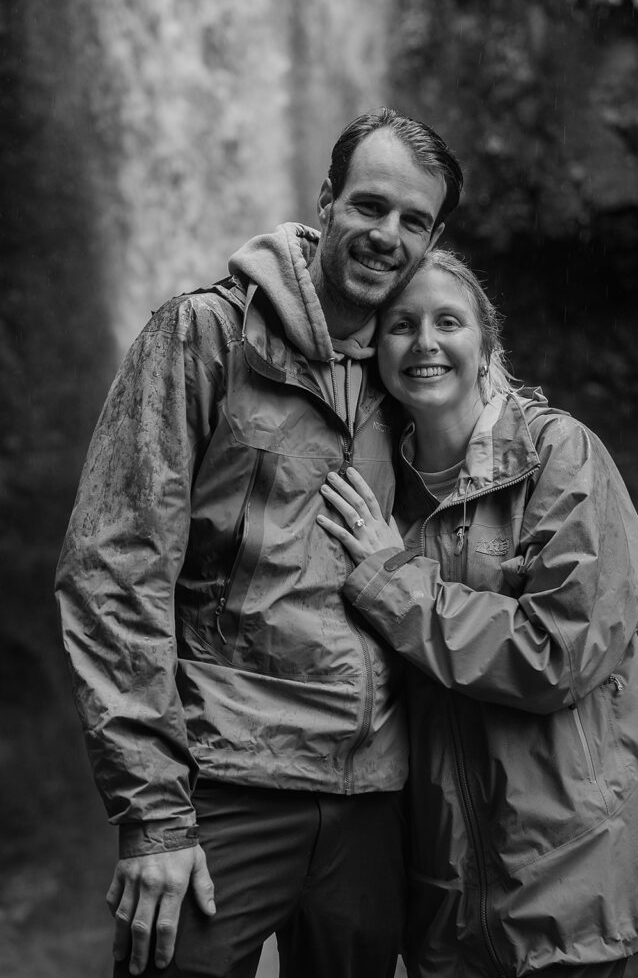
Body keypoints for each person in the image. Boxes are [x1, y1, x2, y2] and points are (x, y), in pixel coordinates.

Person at [54, 109, 464, 978]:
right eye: (369, 205)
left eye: (413, 220)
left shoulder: (421, 372)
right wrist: (153, 816)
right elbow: (114, 569)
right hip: (223, 789)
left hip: (371, 801)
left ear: (433, 240)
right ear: (326, 201)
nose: (386, 235)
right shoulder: (204, 336)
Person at [317, 249, 638, 978]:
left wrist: (392, 581)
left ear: (485, 345)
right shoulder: (375, 498)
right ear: (372, 350)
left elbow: (559, 653)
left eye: (446, 322)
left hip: (578, 891)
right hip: (449, 903)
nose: (424, 342)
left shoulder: (558, 453)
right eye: (400, 325)